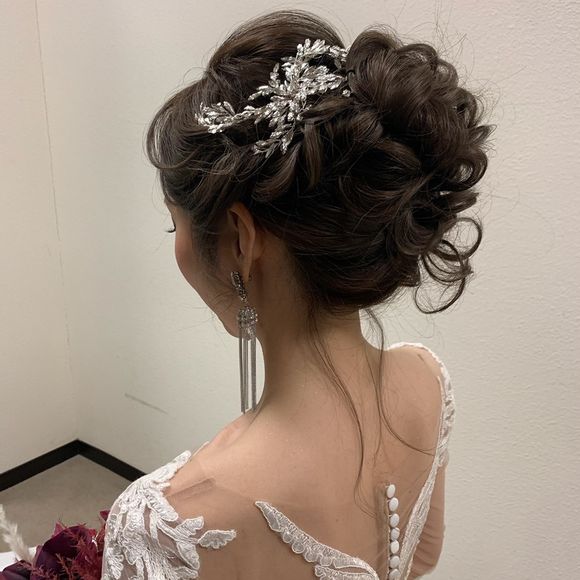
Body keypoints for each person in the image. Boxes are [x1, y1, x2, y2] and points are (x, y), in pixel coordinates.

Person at [101, 8, 493, 579]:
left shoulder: (168, 523)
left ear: (240, 238)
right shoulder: (428, 380)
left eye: (173, 224)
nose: (177, 244)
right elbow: (421, 558)